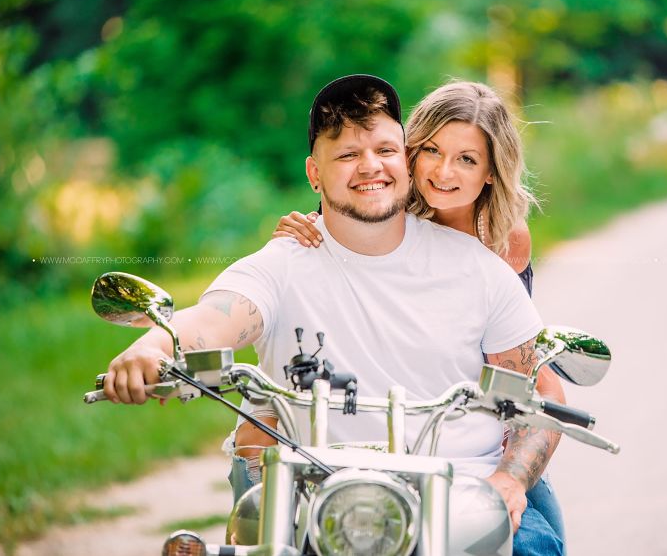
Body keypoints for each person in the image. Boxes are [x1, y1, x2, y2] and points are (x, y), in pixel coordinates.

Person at [102, 75, 562, 555]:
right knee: (253, 529)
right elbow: (216, 316)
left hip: (459, 494)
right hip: (314, 495)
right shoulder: (283, 261)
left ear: (402, 161)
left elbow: (535, 393)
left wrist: (509, 479)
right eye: (346, 155)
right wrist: (155, 345)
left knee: (531, 543)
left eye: (384, 150)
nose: (369, 166)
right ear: (314, 174)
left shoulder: (487, 264)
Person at [274, 80, 567, 542]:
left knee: (535, 538)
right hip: (397, 428)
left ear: (492, 170)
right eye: (430, 149)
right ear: (409, 151)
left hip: (484, 437)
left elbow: (523, 365)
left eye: (467, 159)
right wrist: (296, 233)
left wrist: (512, 473)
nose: (443, 171)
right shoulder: (384, 210)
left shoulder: (506, 238)